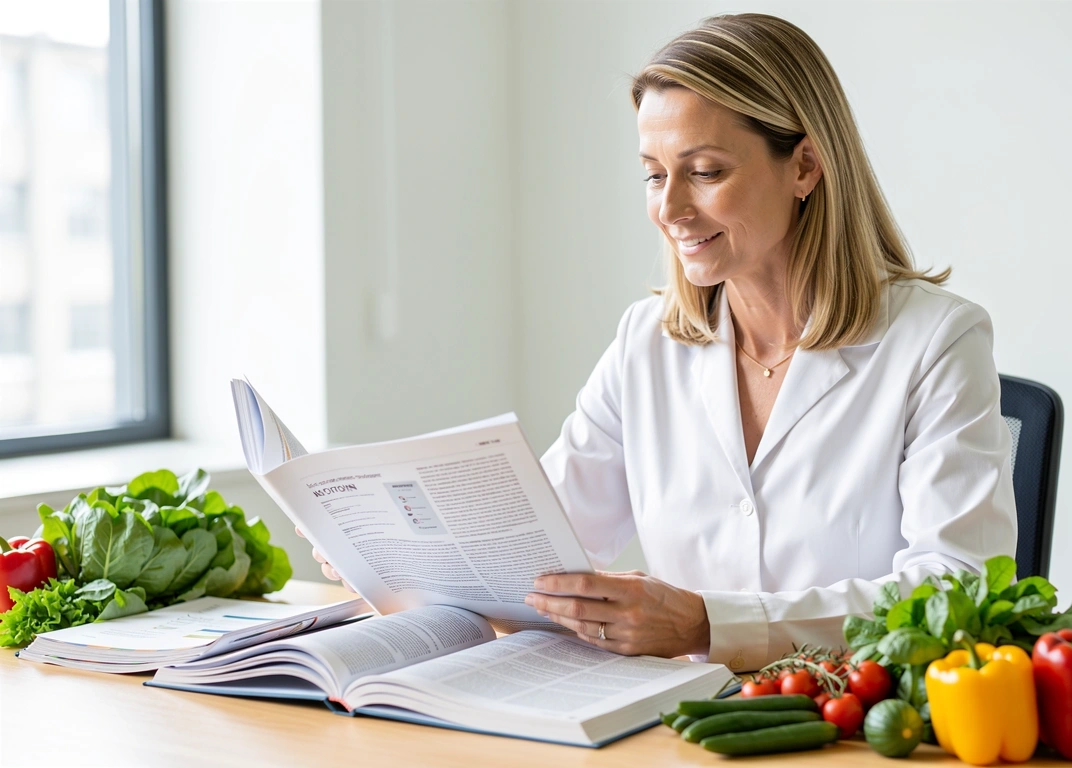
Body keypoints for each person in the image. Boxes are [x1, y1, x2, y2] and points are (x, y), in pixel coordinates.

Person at [305, 12, 1016, 673]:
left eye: (706, 172)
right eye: (653, 174)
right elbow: (544, 542)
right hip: (678, 730)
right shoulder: (647, 342)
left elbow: (957, 588)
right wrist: (396, 552)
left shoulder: (936, 341)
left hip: (858, 726)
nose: (670, 208)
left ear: (804, 166)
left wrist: (712, 624)